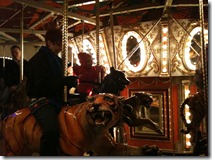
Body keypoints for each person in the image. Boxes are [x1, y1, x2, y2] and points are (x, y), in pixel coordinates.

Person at [26, 28, 78, 156]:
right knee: (51, 130)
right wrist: (65, 81)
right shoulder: (39, 60)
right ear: (49, 43)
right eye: (58, 44)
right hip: (41, 99)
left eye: (62, 44)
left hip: (56, 99)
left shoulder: (57, 60)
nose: (61, 47)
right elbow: (43, 85)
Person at [1, 45, 28, 118]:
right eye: (13, 53)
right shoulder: (9, 64)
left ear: (20, 52)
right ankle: (3, 113)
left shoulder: (26, 63)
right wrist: (11, 86)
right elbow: (6, 76)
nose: (14, 54)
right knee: (4, 97)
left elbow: (28, 74)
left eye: (16, 52)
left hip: (23, 85)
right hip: (12, 85)